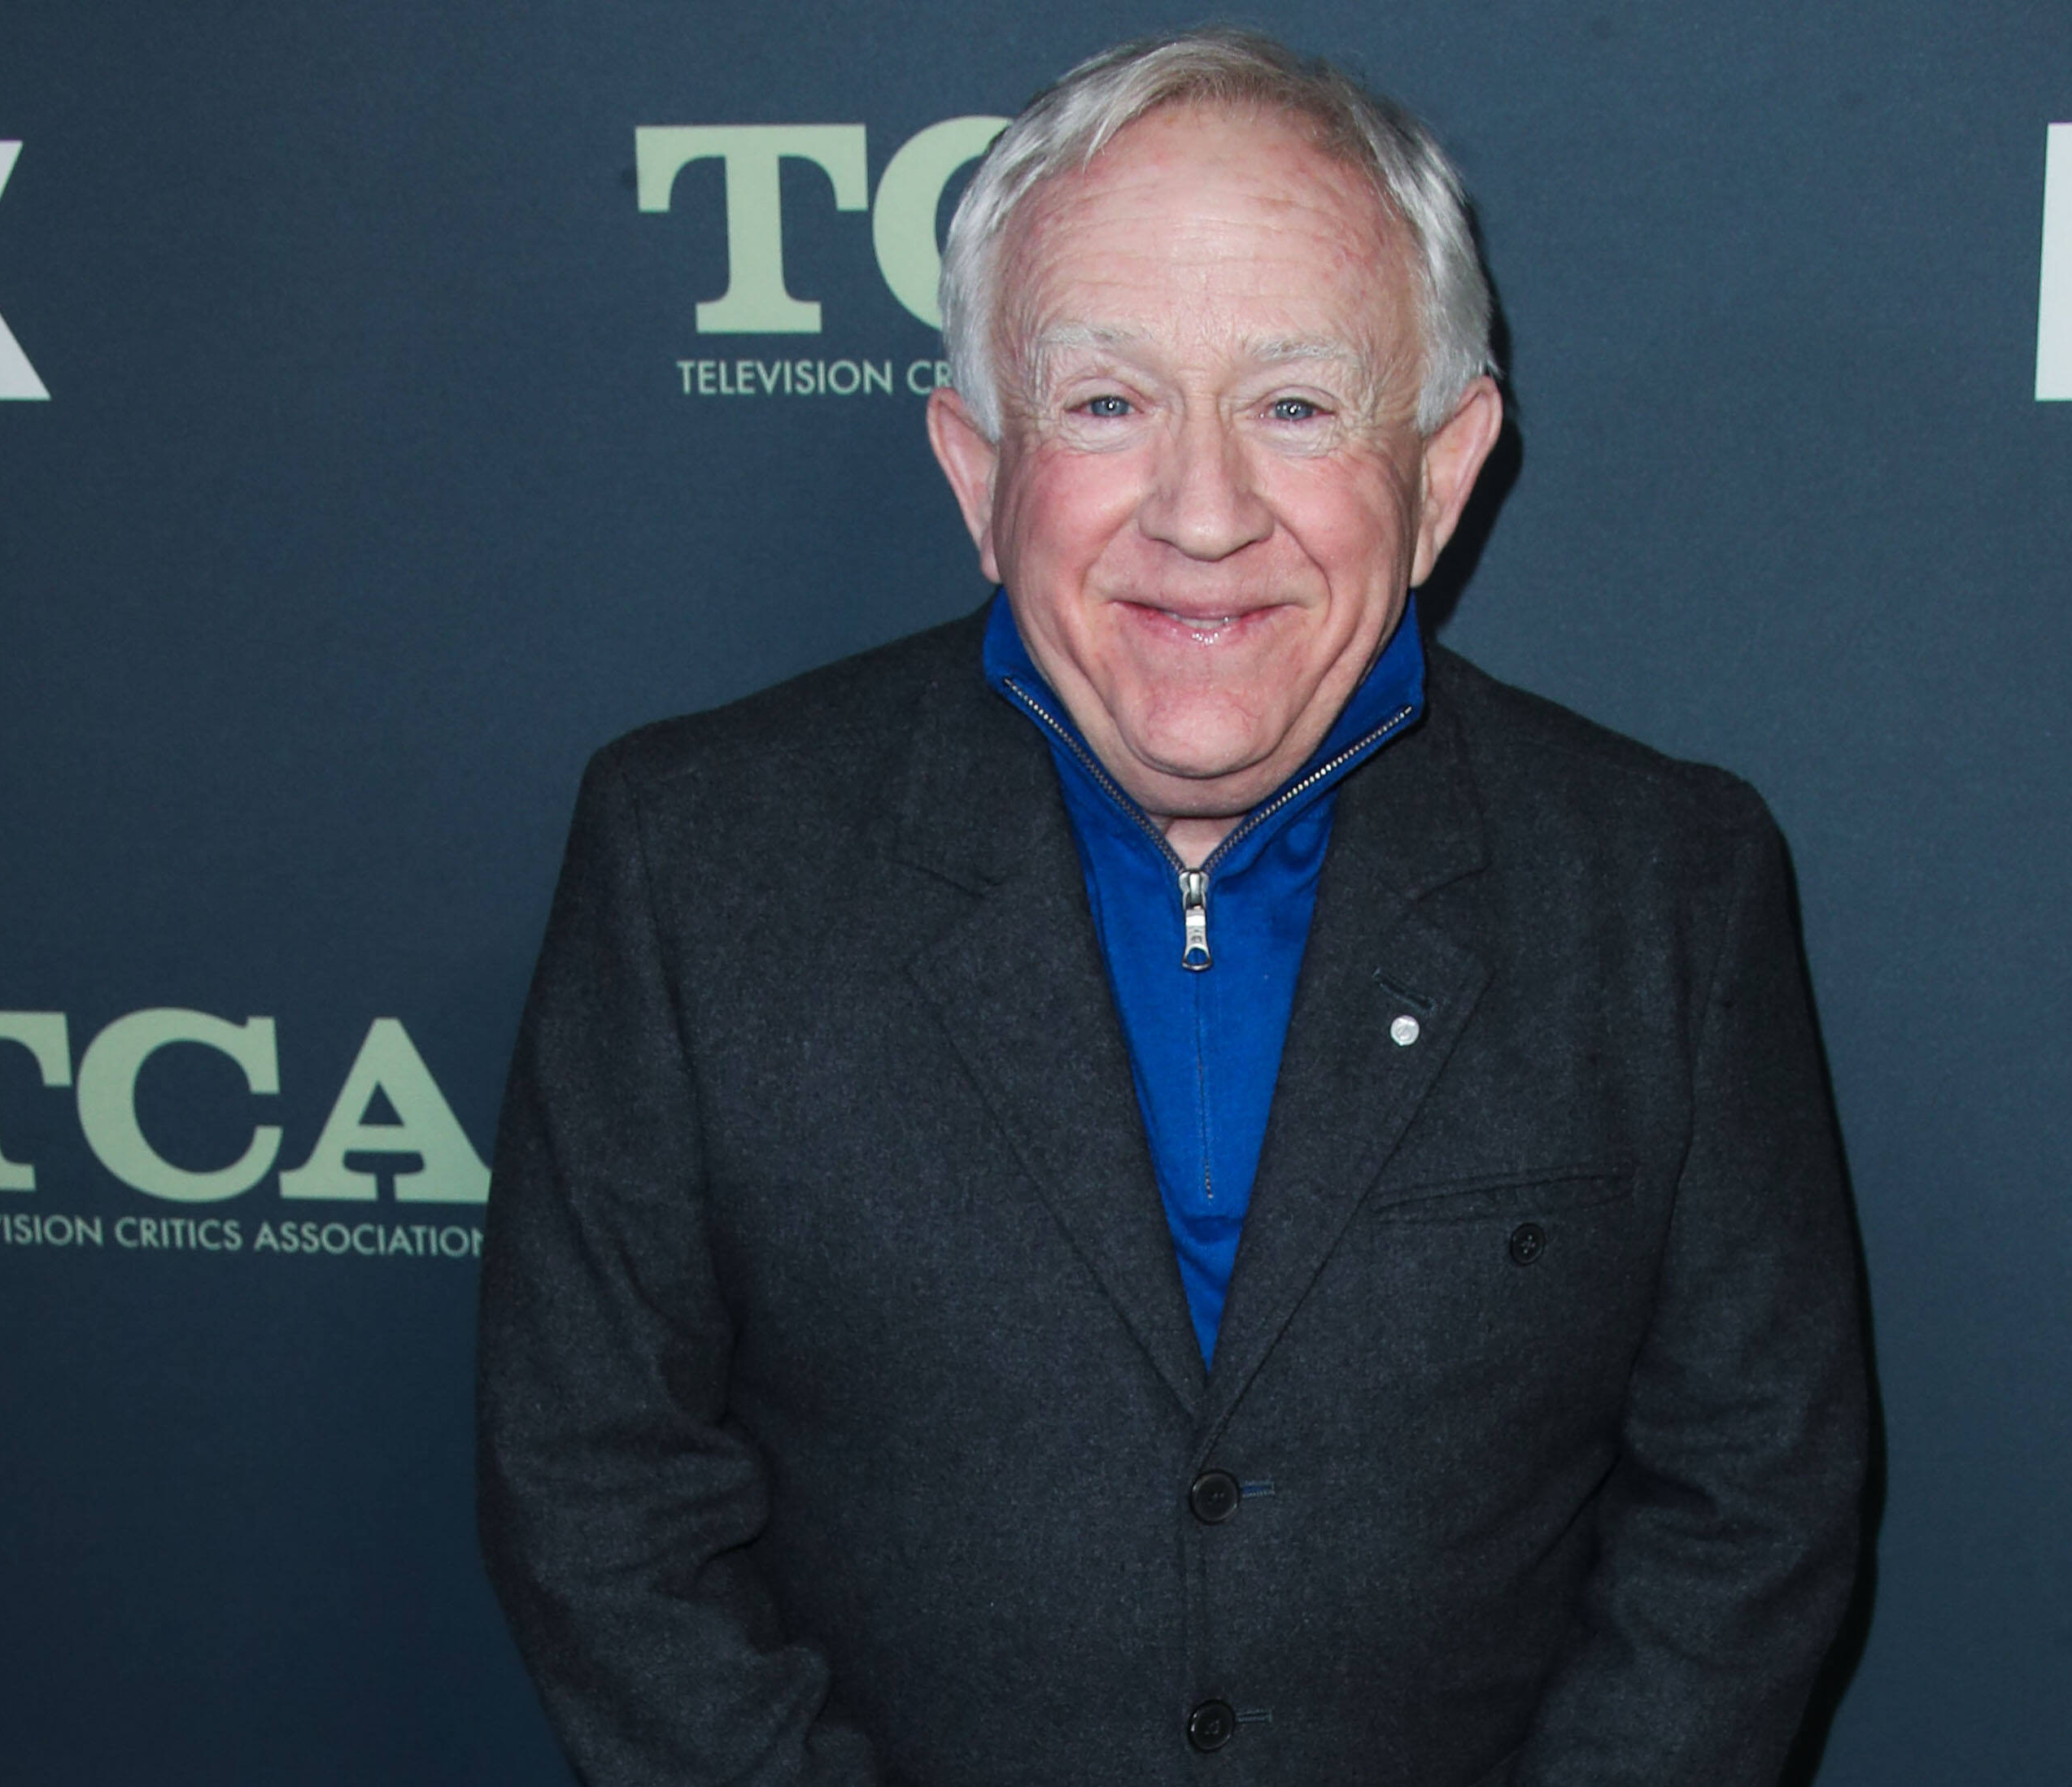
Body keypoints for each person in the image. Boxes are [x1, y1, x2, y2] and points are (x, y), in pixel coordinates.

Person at [478, 27, 1865, 1787]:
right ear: (977, 467)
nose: (1203, 515)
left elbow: (1747, 1499)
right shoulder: (689, 860)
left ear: (1441, 474)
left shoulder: (1665, 888)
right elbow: (600, 1494)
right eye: (1107, 403)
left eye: (1296, 405)